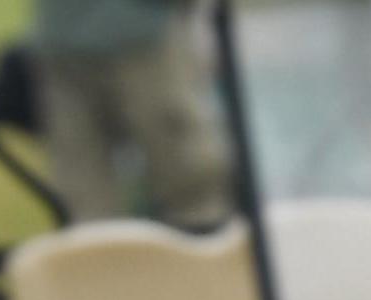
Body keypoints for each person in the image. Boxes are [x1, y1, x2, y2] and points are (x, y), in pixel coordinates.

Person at [34, 0, 231, 229]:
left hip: (144, 32)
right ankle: (99, 256)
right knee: (84, 194)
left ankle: (206, 240)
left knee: (190, 177)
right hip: (67, 42)